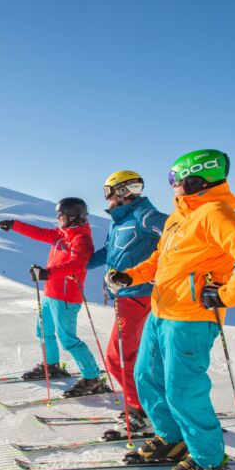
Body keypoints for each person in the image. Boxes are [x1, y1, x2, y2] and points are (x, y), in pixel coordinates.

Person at [106, 149, 235, 470]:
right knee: (147, 377)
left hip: (192, 318)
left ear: (195, 179)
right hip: (161, 311)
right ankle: (172, 440)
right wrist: (132, 275)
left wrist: (226, 295)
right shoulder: (178, 217)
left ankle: (208, 460)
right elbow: (161, 259)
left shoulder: (215, 214)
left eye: (175, 179)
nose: (171, 186)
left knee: (183, 389)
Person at [0, 198, 109, 398]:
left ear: (72, 217)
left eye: (61, 215)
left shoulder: (81, 239)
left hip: (66, 298)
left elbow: (78, 264)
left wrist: (47, 273)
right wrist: (14, 225)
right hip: (50, 294)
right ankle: (51, 366)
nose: (58, 218)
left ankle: (92, 379)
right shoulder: (62, 234)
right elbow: (39, 233)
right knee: (43, 332)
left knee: (68, 340)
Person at [87, 170, 167, 432]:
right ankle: (149, 404)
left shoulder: (144, 216)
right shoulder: (119, 220)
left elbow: (175, 232)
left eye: (108, 191)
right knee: (133, 356)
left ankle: (139, 410)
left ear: (120, 192)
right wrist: (81, 263)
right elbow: (109, 252)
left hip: (139, 296)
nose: (107, 197)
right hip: (125, 296)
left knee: (118, 357)